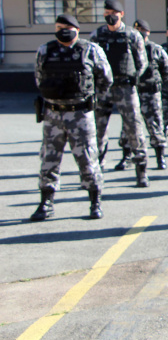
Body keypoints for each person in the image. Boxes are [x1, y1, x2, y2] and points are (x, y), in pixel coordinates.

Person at [31, 14, 113, 221]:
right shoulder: (45, 50)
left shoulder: (91, 50)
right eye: (59, 26)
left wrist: (91, 101)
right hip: (52, 114)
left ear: (77, 29)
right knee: (49, 159)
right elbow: (39, 78)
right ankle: (46, 202)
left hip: (80, 114)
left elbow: (106, 78)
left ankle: (95, 201)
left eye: (67, 26)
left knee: (87, 158)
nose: (63, 30)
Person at [90, 0, 151, 187]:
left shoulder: (132, 35)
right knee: (98, 130)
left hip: (125, 87)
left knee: (134, 128)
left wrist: (134, 78)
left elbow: (142, 62)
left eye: (113, 14)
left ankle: (141, 170)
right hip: (103, 89)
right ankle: (97, 168)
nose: (110, 17)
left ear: (121, 14)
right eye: (107, 14)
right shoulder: (97, 35)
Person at [119, 19, 168, 171]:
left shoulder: (155, 49)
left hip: (150, 93)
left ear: (148, 32)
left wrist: (156, 82)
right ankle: (126, 156)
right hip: (133, 93)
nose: (139, 33)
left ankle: (160, 157)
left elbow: (167, 69)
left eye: (142, 30)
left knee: (155, 125)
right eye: (136, 30)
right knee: (128, 127)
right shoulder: (129, 48)